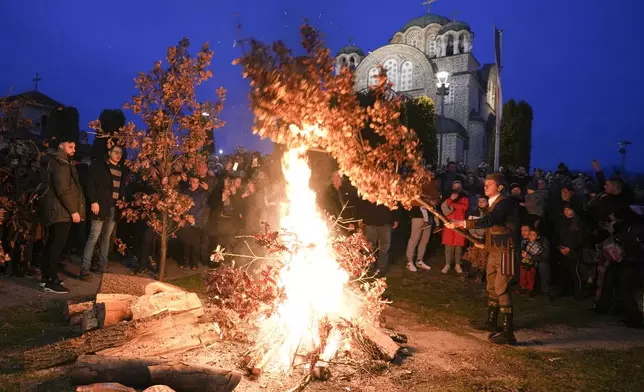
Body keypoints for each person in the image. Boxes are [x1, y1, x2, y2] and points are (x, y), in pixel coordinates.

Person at [446, 172, 520, 345]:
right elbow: (492, 230)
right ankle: (492, 323)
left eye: (490, 184)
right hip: (494, 251)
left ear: (500, 187)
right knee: (491, 286)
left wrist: (462, 223)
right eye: (485, 183)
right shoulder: (493, 204)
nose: (485, 186)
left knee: (502, 288)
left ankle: (508, 332)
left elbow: (490, 221)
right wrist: (484, 244)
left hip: (506, 252)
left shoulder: (506, 203)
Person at [40, 138, 86, 294]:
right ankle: (51, 280)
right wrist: (74, 211)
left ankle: (46, 277)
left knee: (52, 243)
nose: (74, 149)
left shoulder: (60, 161)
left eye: (74, 146)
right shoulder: (60, 163)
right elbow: (63, 189)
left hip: (58, 210)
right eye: (71, 146)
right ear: (61, 145)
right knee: (56, 245)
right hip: (61, 211)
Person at [80, 146, 125, 278]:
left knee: (107, 237)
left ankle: (102, 266)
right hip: (100, 206)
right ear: (109, 153)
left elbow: (121, 187)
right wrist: (94, 201)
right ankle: (85, 268)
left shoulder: (121, 169)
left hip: (113, 207)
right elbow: (91, 184)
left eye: (120, 153)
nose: (118, 155)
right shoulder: (100, 166)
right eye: (116, 152)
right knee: (94, 236)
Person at [358, 199, 399, 275]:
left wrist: (395, 218)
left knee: (384, 246)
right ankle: (369, 267)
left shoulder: (388, 188)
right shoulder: (369, 188)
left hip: (385, 221)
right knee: (369, 246)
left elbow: (393, 202)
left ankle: (382, 267)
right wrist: (361, 217)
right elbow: (362, 202)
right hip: (370, 221)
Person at [178, 175, 209, 270]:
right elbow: (181, 205)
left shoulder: (202, 193)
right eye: (193, 182)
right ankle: (185, 261)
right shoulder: (185, 192)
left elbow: (202, 208)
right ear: (190, 182)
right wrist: (186, 217)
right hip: (186, 220)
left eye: (197, 182)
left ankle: (194, 263)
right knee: (186, 242)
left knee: (195, 242)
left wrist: (194, 218)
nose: (195, 184)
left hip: (197, 221)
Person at [441, 180, 469, 274]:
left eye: (458, 186)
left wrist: (453, 203)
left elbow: (465, 207)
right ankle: (447, 265)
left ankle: (457, 265)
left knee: (458, 245)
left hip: (459, 223)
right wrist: (451, 200)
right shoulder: (448, 196)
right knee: (448, 245)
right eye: (455, 186)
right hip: (449, 223)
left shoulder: (464, 197)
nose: (457, 188)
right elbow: (445, 206)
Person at [463, 196, 488, 283]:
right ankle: (470, 272)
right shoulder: (473, 213)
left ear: (487, 202)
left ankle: (480, 275)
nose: (481, 203)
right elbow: (470, 224)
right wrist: (473, 233)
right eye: (479, 201)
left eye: (483, 201)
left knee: (483, 256)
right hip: (473, 237)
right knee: (472, 254)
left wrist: (484, 235)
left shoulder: (490, 213)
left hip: (484, 238)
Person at [520, 227, 543, 295]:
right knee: (523, 275)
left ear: (538, 237)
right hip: (524, 262)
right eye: (530, 234)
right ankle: (523, 287)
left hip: (531, 264)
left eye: (533, 235)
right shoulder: (526, 242)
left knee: (530, 276)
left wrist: (528, 255)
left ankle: (530, 289)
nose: (530, 236)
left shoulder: (537, 245)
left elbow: (536, 253)